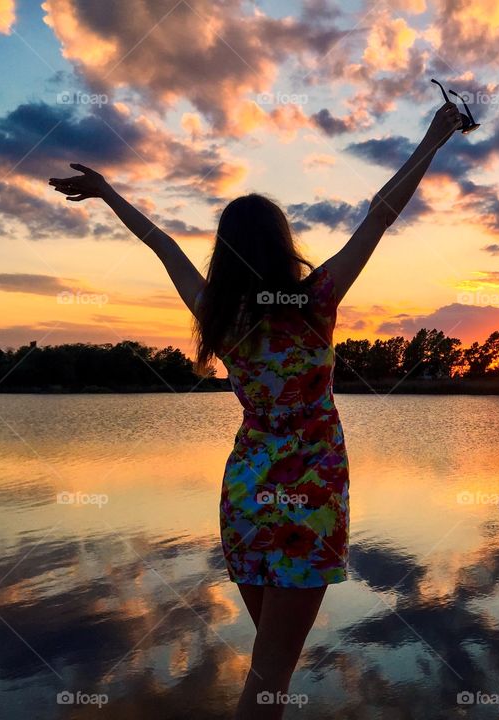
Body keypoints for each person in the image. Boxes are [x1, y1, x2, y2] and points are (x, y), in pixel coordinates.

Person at [49, 100, 463, 719]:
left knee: (271, 674)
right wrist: (434, 137)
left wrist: (108, 193)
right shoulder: (315, 300)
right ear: (280, 245)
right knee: (268, 684)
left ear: (226, 253)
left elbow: (162, 244)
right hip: (312, 498)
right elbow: (381, 213)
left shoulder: (217, 313)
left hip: (247, 494)